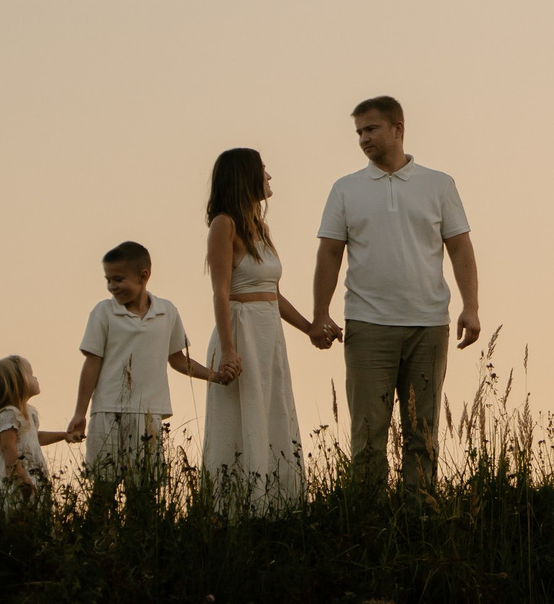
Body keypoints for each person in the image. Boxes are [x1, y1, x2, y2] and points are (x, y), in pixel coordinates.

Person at [314, 96, 478, 493]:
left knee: (423, 432)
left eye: (371, 129)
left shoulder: (439, 184)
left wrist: (471, 307)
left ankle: (421, 516)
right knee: (368, 433)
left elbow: (460, 247)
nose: (363, 139)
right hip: (368, 324)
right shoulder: (345, 189)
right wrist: (320, 313)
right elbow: (329, 253)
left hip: (429, 324)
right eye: (359, 132)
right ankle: (367, 516)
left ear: (398, 129)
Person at [199, 149, 326, 510]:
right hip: (241, 331)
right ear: (245, 177)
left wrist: (310, 329)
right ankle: (235, 508)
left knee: (273, 413)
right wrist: (228, 349)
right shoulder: (224, 225)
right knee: (242, 418)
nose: (269, 177)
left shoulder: (261, 229)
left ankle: (276, 506)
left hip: (269, 333)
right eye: (263, 170)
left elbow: (274, 295)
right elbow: (221, 292)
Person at [60, 240, 221, 505]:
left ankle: (140, 533)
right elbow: (92, 362)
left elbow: (178, 360)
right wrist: (80, 412)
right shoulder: (103, 312)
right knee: (103, 491)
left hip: (148, 415)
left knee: (143, 494)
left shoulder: (167, 312)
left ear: (143, 276)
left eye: (118, 279)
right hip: (108, 411)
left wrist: (213, 376)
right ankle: (98, 534)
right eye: (108, 280)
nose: (112, 286)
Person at [0, 354, 75, 526]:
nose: (35, 377)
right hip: (16, 475)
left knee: (30, 518)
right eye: (31, 374)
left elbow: (34, 438)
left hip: (29, 472)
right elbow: (7, 447)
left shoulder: (28, 413)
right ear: (18, 383)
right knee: (17, 516)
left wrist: (64, 435)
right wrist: (20, 475)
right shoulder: (9, 415)